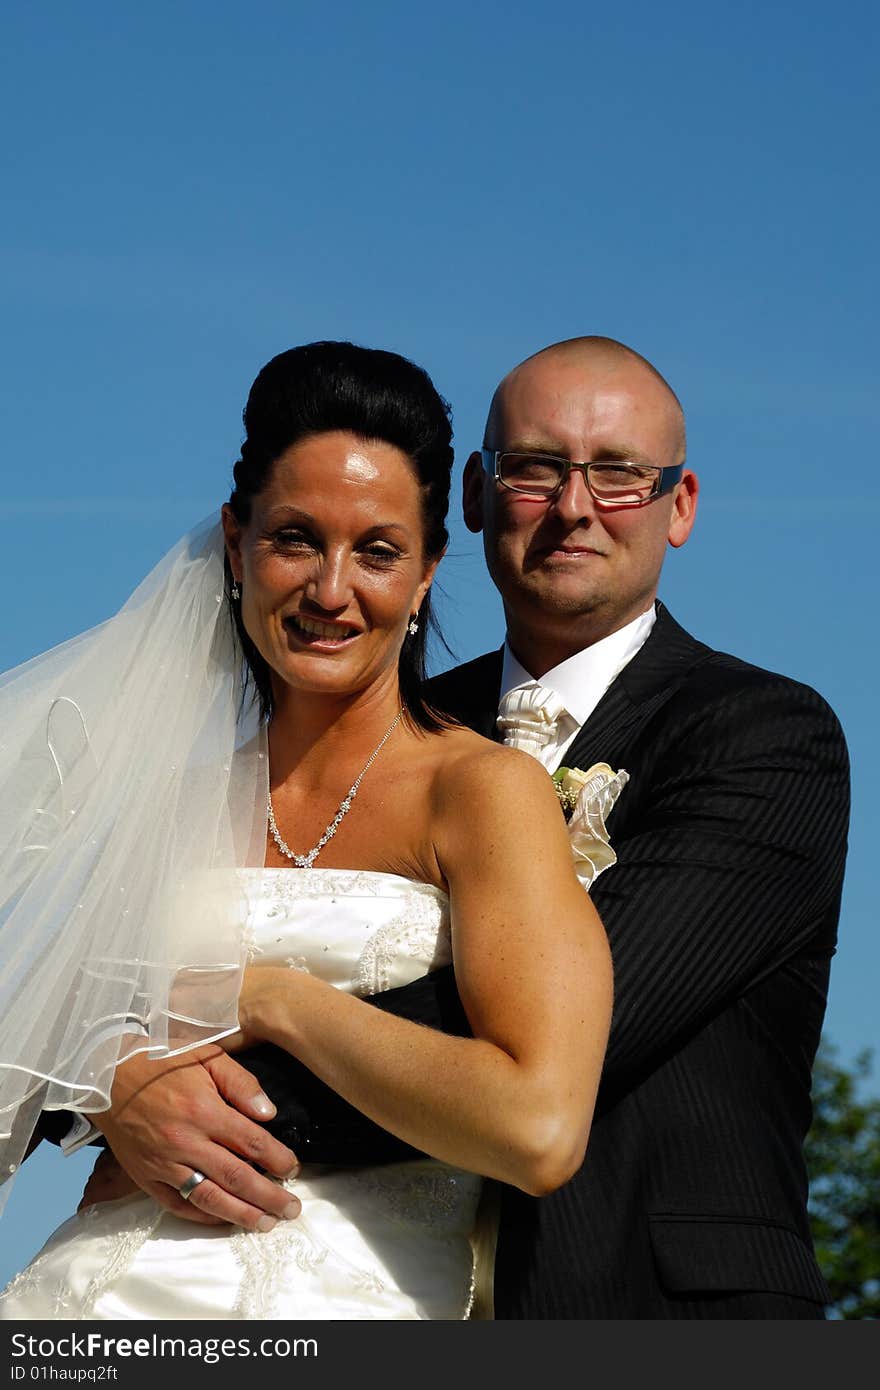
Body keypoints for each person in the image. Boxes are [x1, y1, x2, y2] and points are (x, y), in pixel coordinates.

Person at [192, 334, 848, 1319]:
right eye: (534, 469)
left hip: (652, 1310)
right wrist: (114, 1090)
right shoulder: (390, 735)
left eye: (619, 475)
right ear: (471, 494)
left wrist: (192, 1095)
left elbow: (564, 1037)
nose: (574, 506)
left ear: (681, 505)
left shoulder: (763, 737)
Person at [0, 341, 614, 1320]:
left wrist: (271, 997)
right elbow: (32, 1025)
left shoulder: (480, 791)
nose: (331, 591)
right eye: (295, 538)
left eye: (376, 550)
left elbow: (536, 1126)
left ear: (424, 574)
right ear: (237, 544)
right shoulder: (157, 800)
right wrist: (110, 1083)